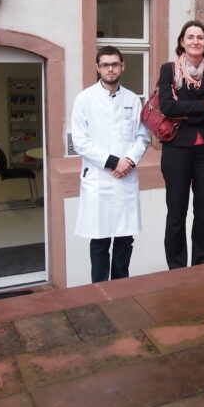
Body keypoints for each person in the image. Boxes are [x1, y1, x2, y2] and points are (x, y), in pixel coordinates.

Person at [72, 46, 150, 283]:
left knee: (125, 240)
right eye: (105, 65)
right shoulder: (84, 99)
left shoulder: (133, 100)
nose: (110, 69)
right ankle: (98, 289)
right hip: (99, 179)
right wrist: (113, 161)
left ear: (122, 66)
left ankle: (121, 288)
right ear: (98, 67)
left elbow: (142, 136)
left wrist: (128, 161)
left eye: (115, 64)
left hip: (125, 178)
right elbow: (80, 142)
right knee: (100, 240)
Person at [158, 20, 204, 270]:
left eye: (200, 37)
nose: (195, 41)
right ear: (181, 42)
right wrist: (201, 107)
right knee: (176, 213)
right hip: (176, 149)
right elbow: (167, 106)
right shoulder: (169, 70)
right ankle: (176, 267)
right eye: (190, 37)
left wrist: (185, 112)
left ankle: (201, 265)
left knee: (203, 211)